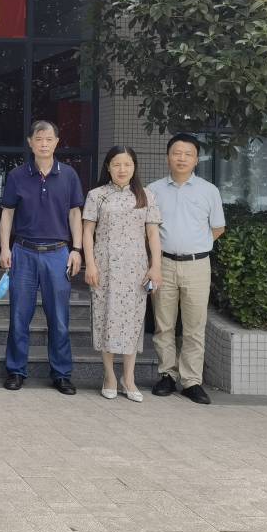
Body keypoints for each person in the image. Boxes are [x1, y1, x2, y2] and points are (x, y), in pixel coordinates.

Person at [0, 120, 85, 395]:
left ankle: (61, 373)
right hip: (23, 252)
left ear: (57, 142)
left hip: (58, 253)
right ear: (30, 142)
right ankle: (16, 370)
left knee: (59, 318)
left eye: (49, 139)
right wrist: (4, 248)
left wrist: (77, 249)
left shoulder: (69, 175)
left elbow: (75, 214)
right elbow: (7, 214)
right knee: (19, 315)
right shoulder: (17, 175)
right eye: (39, 139)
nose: (44, 144)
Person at [146, 133, 226, 405]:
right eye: (176, 153)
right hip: (163, 264)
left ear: (196, 159)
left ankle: (192, 381)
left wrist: (196, 245)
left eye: (188, 154)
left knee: (194, 326)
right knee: (163, 324)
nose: (181, 158)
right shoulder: (153, 190)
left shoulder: (209, 190)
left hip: (197, 265)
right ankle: (167, 375)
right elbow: (148, 230)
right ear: (168, 156)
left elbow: (218, 228)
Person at [82, 146, 162, 403]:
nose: (122, 169)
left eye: (127, 164)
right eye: (116, 164)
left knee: (132, 322)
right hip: (104, 266)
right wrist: (90, 264)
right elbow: (87, 232)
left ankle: (129, 378)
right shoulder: (97, 195)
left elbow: (153, 234)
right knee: (105, 317)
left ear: (134, 167)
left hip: (135, 268)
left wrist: (156, 266)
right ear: (108, 167)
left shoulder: (146, 196)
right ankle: (109, 377)